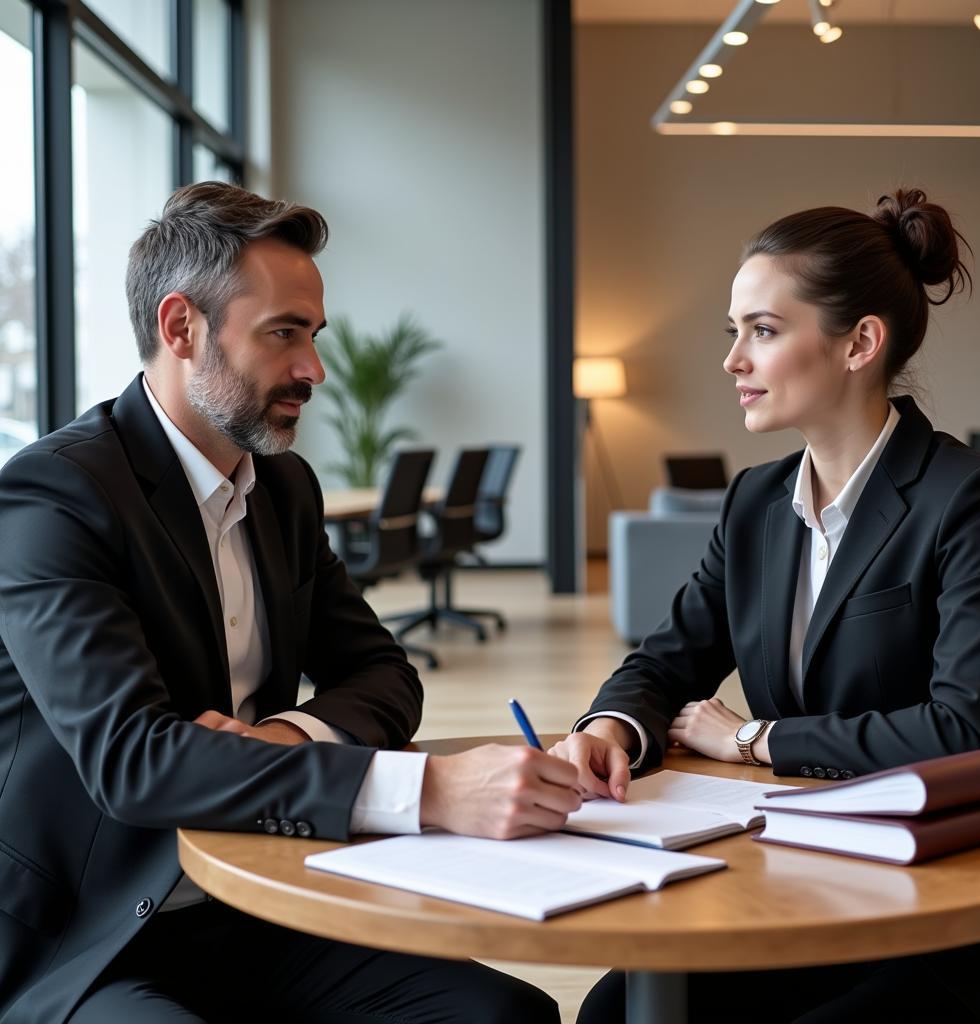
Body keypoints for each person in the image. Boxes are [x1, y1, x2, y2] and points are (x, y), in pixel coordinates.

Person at [0, 181, 581, 1024]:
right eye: (284, 334)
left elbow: (384, 674)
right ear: (180, 328)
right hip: (92, 939)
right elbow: (135, 762)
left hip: (263, 896)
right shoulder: (56, 496)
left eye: (313, 335)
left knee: (502, 1015)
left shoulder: (282, 486)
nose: (312, 368)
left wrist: (282, 734)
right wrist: (427, 790)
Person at [552, 188, 980, 1022]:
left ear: (860, 344)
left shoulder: (972, 500)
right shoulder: (755, 503)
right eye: (734, 332)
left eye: (762, 331)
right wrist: (609, 729)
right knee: (612, 1010)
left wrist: (753, 738)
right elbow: (665, 661)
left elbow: (966, 730)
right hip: (788, 868)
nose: (734, 359)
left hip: (928, 897)